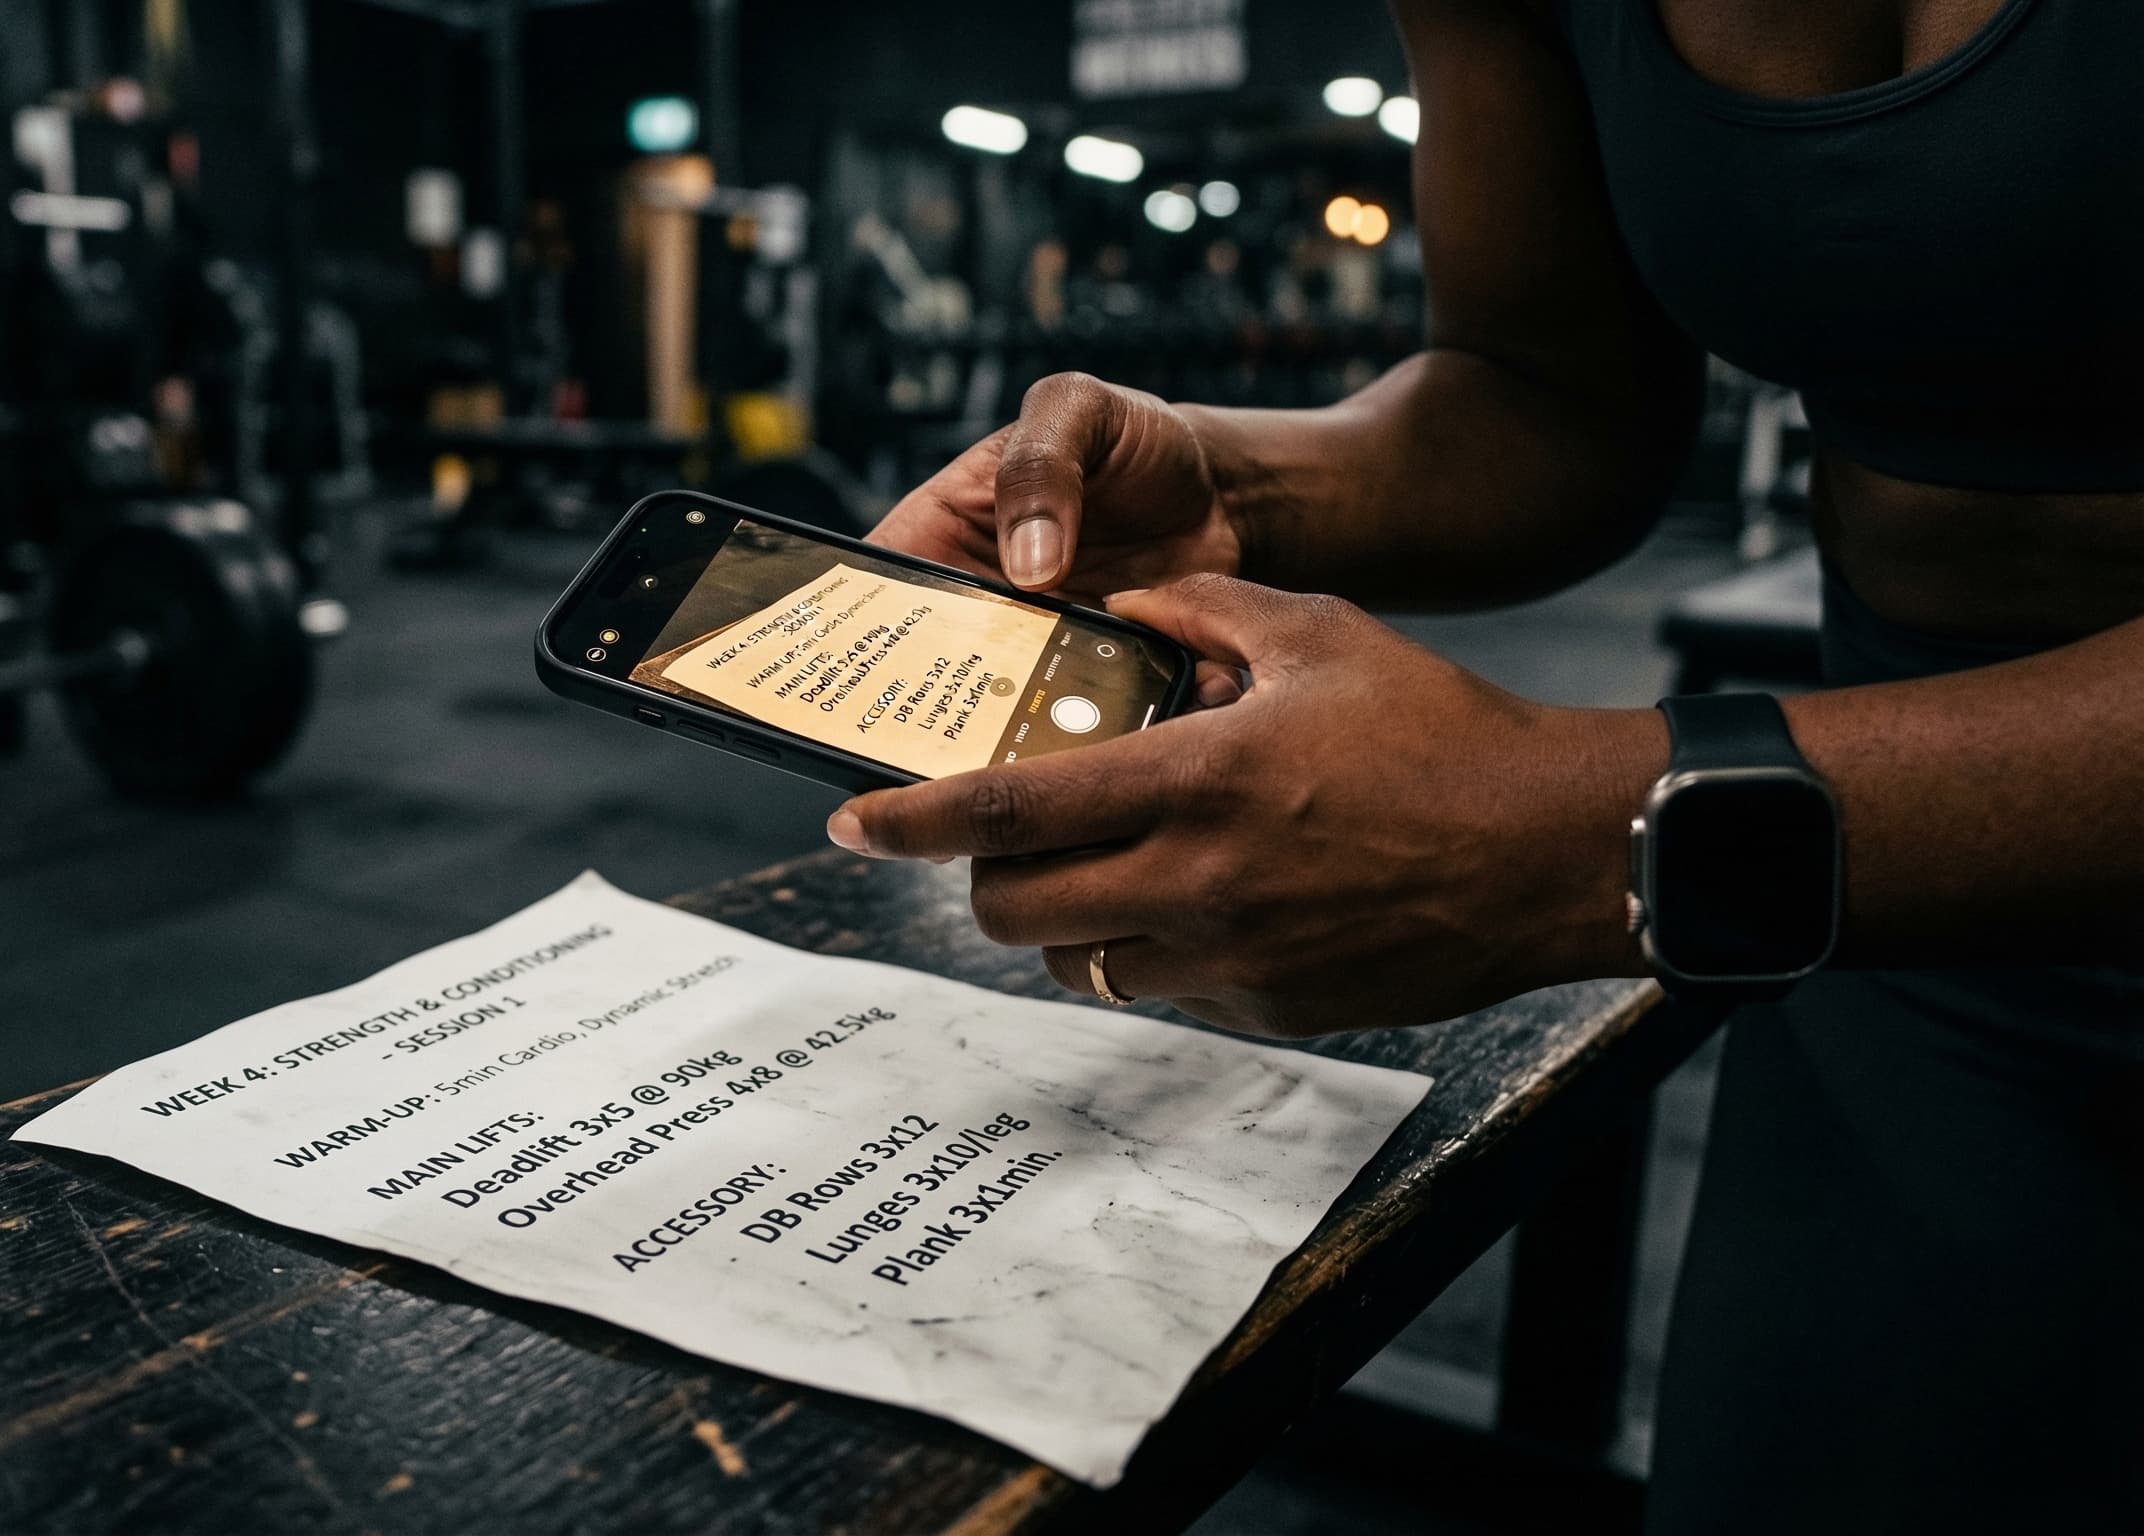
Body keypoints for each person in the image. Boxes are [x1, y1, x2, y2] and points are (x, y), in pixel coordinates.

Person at [842, 2, 2142, 1530]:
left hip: (1873, 822)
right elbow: (1551, 393)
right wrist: (1231, 483)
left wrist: (1594, 836)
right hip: (1895, 908)